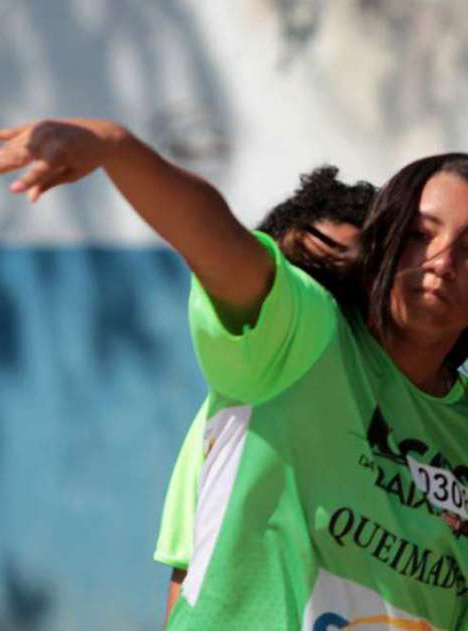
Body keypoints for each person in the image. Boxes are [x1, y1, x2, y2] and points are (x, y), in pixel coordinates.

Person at [0, 118, 468, 630]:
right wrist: (115, 147)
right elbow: (217, 239)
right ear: (385, 239)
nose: (442, 262)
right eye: (422, 235)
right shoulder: (300, 337)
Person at [154, 166, 375, 622]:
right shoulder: (227, 424)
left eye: (345, 285)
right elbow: (189, 569)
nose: (313, 301)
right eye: (301, 279)